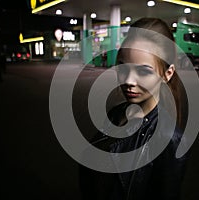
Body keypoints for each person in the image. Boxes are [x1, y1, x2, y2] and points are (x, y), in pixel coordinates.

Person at [79, 17, 189, 200]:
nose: (129, 81)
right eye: (123, 67)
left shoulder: (171, 141)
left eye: (144, 71)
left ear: (167, 74)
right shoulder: (117, 113)